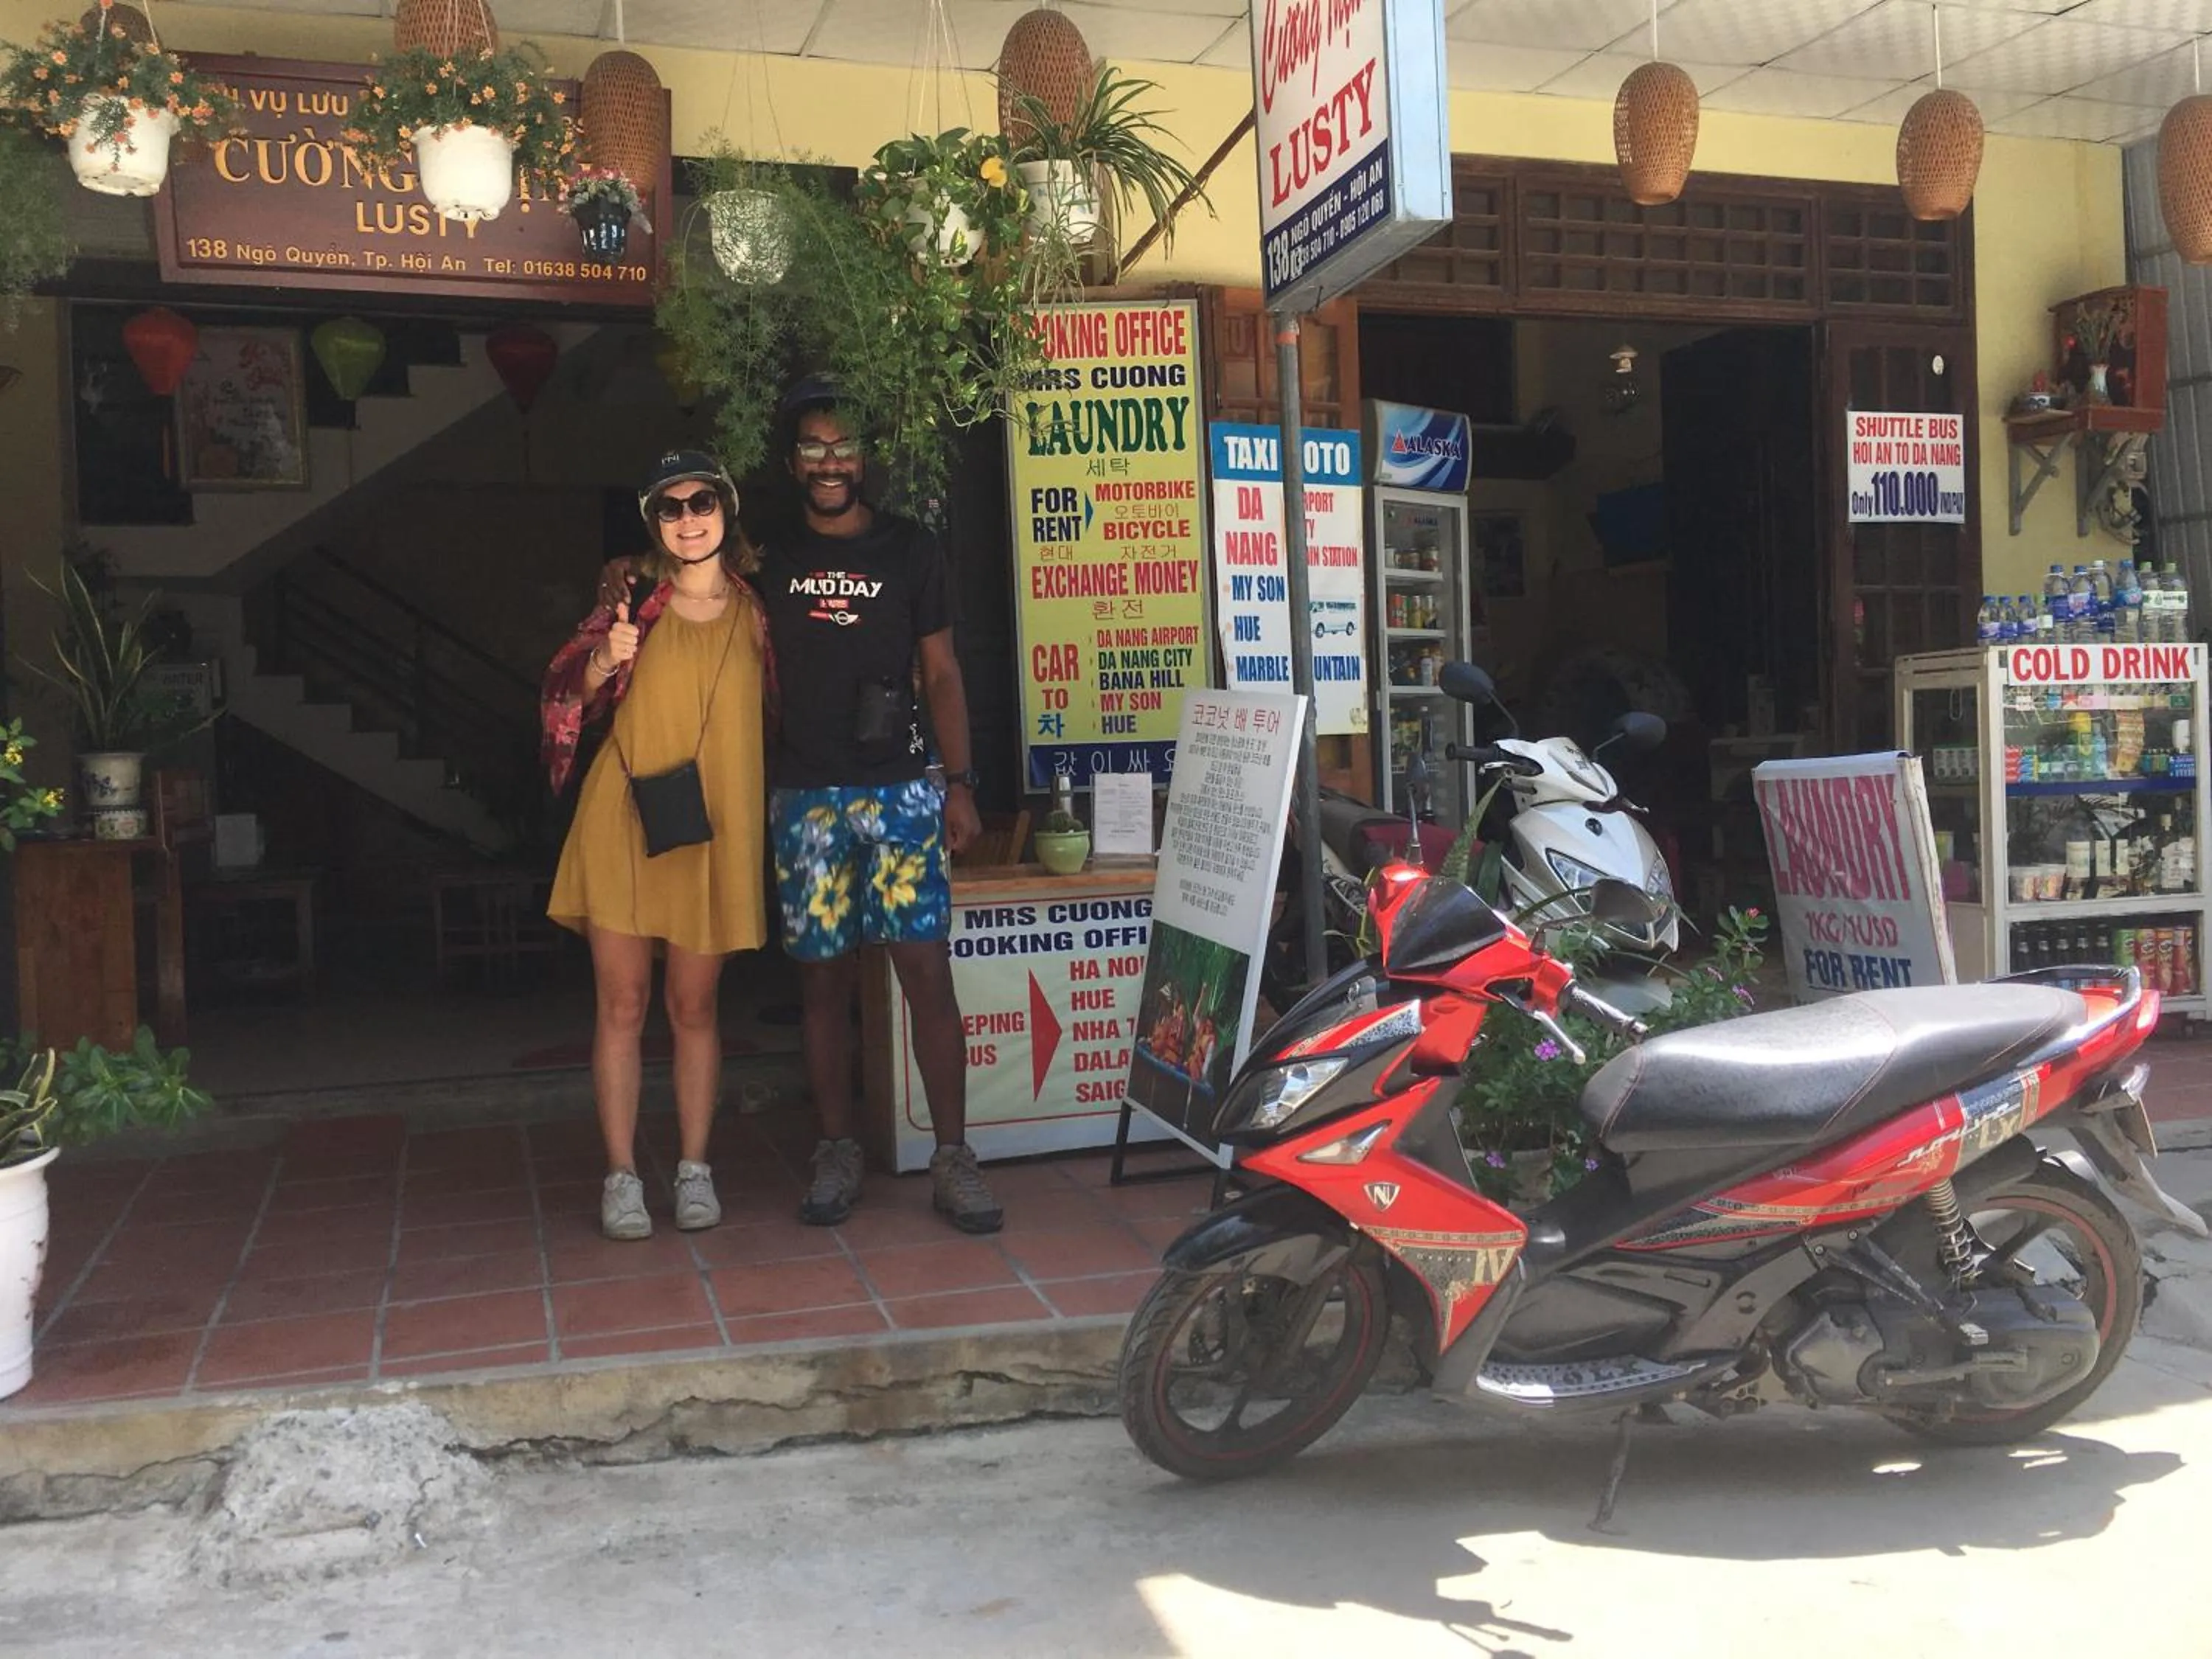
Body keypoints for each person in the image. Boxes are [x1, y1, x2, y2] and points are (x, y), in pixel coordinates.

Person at [757, 378, 1001, 1234]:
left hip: (900, 792)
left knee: (925, 974)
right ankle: (837, 1149)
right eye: (814, 449)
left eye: (843, 448)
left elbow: (941, 672)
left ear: (864, 461)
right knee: (822, 984)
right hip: (806, 797)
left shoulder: (911, 551)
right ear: (794, 464)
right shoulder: (767, 558)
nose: (830, 463)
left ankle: (954, 1158)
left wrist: (959, 780)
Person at [542, 451, 773, 1241]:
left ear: (726, 508)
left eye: (700, 501)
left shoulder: (759, 610)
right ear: (654, 524)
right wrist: (605, 659)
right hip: (626, 819)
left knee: (695, 1005)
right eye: (669, 509)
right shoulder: (632, 598)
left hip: (714, 831)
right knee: (622, 1003)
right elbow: (563, 692)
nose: (687, 519)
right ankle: (620, 1175)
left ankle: (695, 1168)